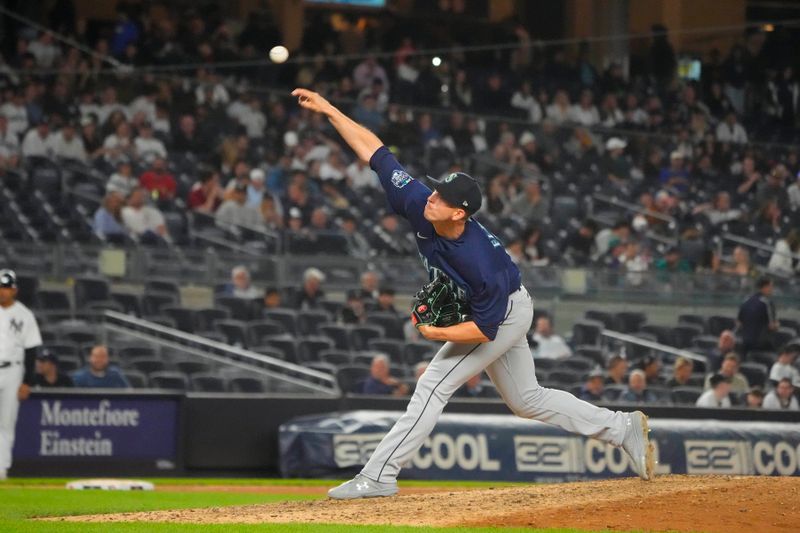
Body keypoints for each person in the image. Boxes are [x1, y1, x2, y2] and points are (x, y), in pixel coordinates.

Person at [291, 87, 655, 500]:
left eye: (442, 198)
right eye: (434, 190)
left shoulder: (479, 261)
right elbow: (374, 152)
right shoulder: (420, 202)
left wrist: (435, 335)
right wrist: (328, 109)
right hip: (503, 306)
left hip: (500, 312)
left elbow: (484, 329)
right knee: (527, 399)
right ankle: (622, 427)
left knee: (433, 382)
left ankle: (378, 475)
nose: (431, 197)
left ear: (459, 213)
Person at [0, 270, 42, 480]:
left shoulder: (24, 315)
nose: (3, 291)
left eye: (6, 287)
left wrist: (27, 381)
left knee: (7, 420)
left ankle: (2, 468)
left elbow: (31, 350)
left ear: (14, 289)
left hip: (13, 370)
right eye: (0, 287)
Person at [737, 277, 779, 355]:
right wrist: (777, 325)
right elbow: (772, 326)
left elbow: (739, 323)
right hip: (762, 344)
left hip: (745, 343)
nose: (772, 289)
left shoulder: (746, 300)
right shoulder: (767, 302)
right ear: (765, 287)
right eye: (771, 286)